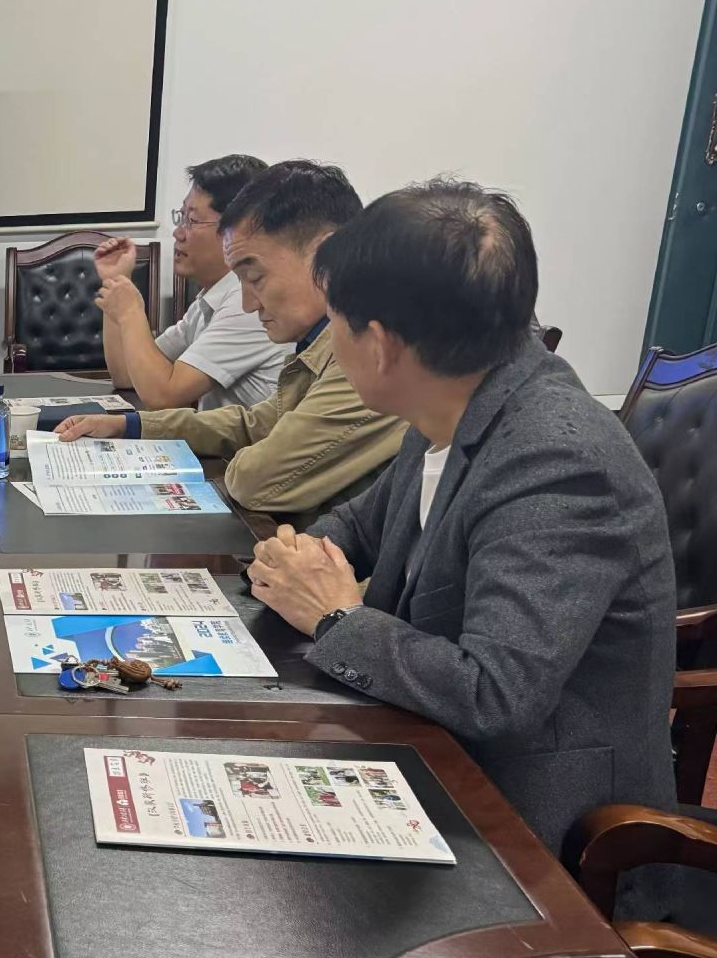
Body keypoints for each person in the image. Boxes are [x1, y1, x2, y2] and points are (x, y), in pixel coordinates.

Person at [250, 179, 676, 892]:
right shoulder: (457, 398)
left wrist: (335, 616)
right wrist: (295, 558)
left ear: (380, 346)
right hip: (434, 750)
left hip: (542, 832)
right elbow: (357, 525)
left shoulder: (557, 459)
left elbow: (496, 694)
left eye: (337, 323)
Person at [59, 161, 405, 524]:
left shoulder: (370, 354)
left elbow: (255, 480)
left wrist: (250, 454)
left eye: (255, 278)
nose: (248, 304)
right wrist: (132, 426)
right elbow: (256, 424)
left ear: (327, 256)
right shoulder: (318, 341)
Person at [94, 153, 289, 410]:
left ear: (238, 228)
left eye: (192, 220)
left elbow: (163, 395)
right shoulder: (210, 300)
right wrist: (117, 281)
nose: (178, 233)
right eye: (181, 217)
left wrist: (131, 312)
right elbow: (127, 377)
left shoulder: (248, 305)